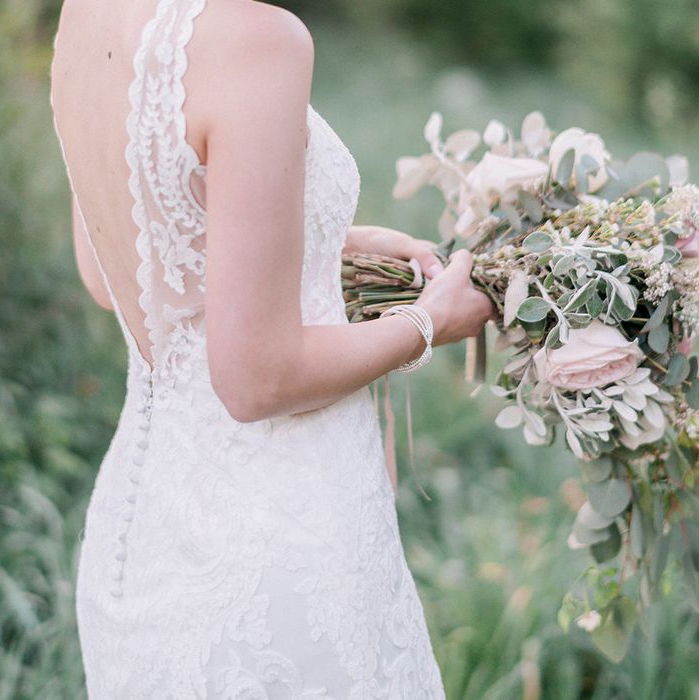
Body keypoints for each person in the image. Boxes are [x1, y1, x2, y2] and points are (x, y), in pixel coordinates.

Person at [49, 0, 494, 696]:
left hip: (140, 537)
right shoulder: (257, 37)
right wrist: (431, 322)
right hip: (276, 544)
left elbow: (114, 272)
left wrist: (316, 245)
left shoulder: (89, 13)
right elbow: (257, 380)